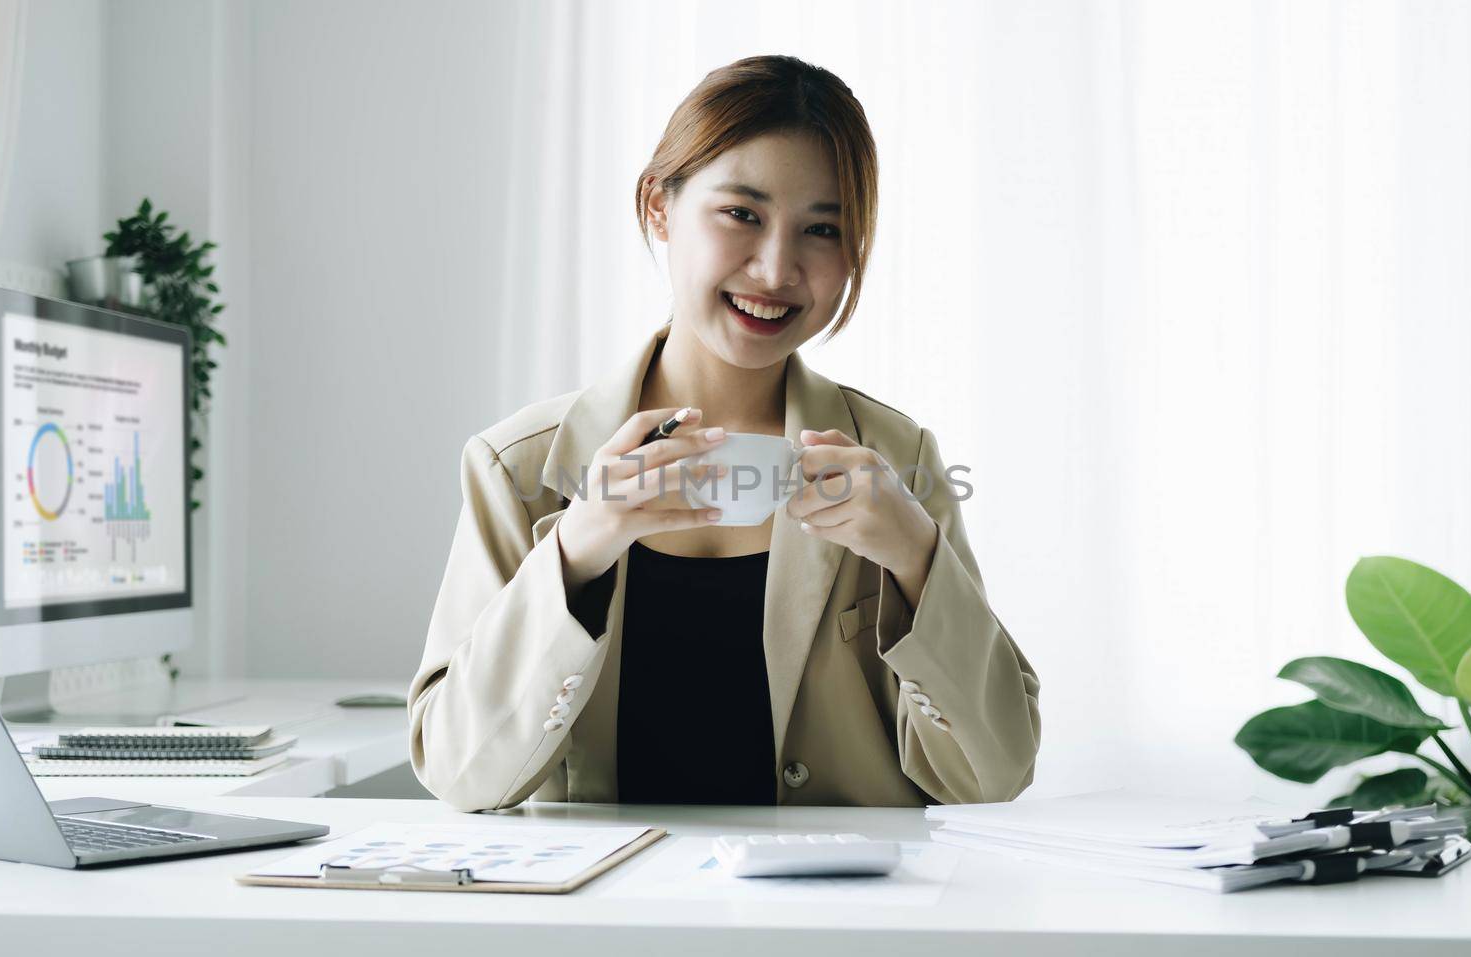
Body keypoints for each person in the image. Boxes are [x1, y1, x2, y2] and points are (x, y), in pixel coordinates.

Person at [409, 55, 1040, 811]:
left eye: (822, 228)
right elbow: (458, 773)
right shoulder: (520, 466)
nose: (776, 268)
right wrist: (578, 550)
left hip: (835, 928)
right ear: (659, 207)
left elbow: (993, 773)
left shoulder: (895, 461)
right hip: (604, 926)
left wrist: (914, 554)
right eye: (742, 213)